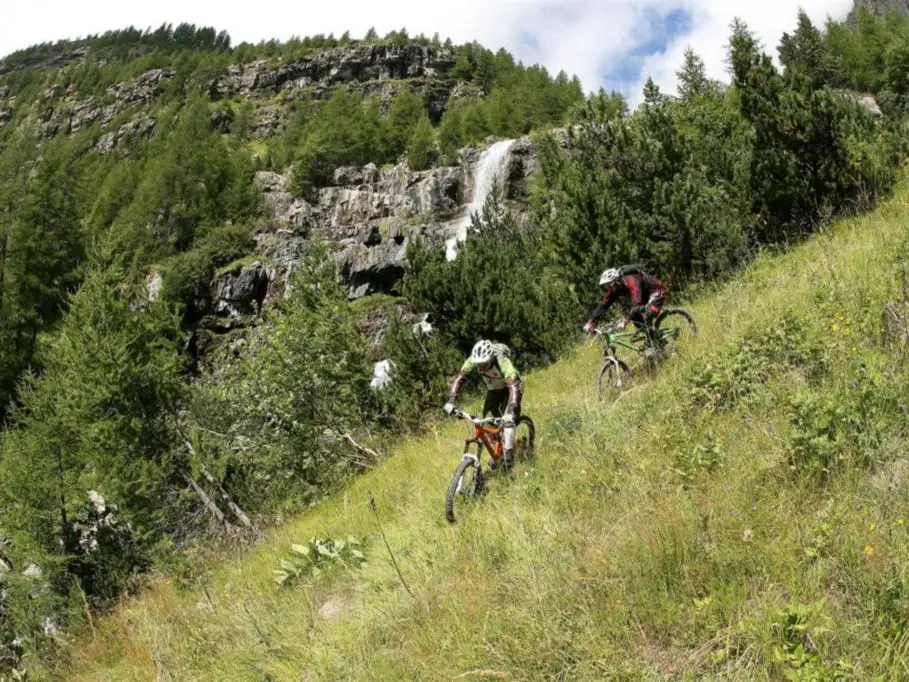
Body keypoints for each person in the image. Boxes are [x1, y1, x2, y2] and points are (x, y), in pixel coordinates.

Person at [443, 340, 522, 470]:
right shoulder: (472, 360)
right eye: (478, 365)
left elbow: (513, 384)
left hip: (511, 388)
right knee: (487, 423)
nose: (481, 368)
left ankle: (508, 456)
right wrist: (451, 400)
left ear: (491, 358)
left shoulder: (501, 360)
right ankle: (498, 451)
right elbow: (460, 378)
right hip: (494, 390)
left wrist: (513, 408)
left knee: (507, 419)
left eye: (484, 364)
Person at [582, 266, 668, 338]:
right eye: (606, 286)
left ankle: (656, 339)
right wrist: (591, 322)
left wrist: (625, 321)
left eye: (608, 285)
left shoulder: (631, 281)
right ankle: (653, 340)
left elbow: (637, 304)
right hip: (645, 296)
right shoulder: (614, 289)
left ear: (615, 281)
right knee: (636, 319)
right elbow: (604, 305)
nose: (607, 287)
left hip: (657, 291)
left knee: (647, 314)